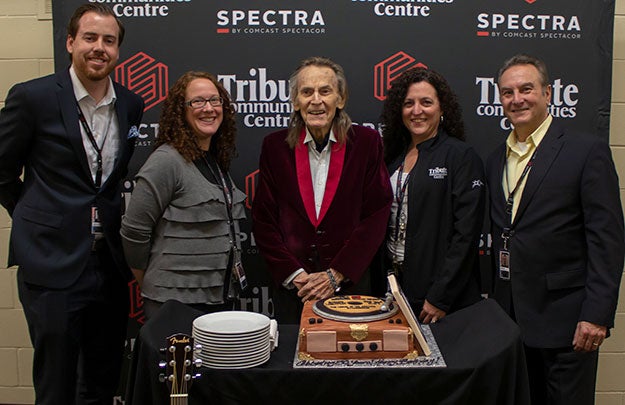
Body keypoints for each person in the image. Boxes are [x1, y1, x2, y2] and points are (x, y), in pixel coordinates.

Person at [0, 4, 144, 404]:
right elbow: (2, 171)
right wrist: (36, 217)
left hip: (108, 268)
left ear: (118, 51)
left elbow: (109, 181)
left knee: (102, 382)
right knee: (57, 386)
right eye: (90, 38)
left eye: (109, 41)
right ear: (70, 42)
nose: (99, 48)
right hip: (51, 265)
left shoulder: (130, 104)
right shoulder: (33, 97)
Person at [486, 54, 624, 405]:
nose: (517, 99)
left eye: (526, 89)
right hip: (512, 322)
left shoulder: (585, 150)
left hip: (567, 323)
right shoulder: (495, 158)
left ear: (548, 93)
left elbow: (607, 240)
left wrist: (596, 315)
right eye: (507, 92)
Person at [252, 56, 392, 322]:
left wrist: (336, 273)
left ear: (340, 99)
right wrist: (296, 276)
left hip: (350, 289)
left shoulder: (366, 143)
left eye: (325, 91)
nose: (316, 100)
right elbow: (263, 220)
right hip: (296, 291)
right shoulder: (274, 147)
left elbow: (376, 214)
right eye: (307, 92)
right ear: (295, 101)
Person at [121, 71, 246, 320]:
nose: (208, 108)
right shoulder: (166, 161)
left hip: (216, 296)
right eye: (197, 101)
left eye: (215, 100)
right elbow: (134, 231)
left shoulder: (213, 160)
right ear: (181, 110)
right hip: (173, 302)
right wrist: (156, 283)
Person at [380, 67, 485, 324]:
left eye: (426, 102)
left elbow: (466, 235)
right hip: (394, 289)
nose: (417, 111)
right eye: (408, 104)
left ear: (442, 109)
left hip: (437, 298)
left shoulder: (460, 156)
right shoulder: (392, 158)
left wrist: (441, 296)